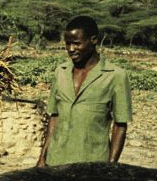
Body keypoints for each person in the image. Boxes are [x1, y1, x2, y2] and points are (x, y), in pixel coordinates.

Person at [37, 16, 132, 167]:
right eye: (67, 44)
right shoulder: (60, 72)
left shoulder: (116, 76)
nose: (70, 49)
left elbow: (120, 125)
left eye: (76, 43)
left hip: (91, 165)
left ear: (93, 40)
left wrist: (110, 166)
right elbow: (54, 117)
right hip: (55, 161)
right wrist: (42, 158)